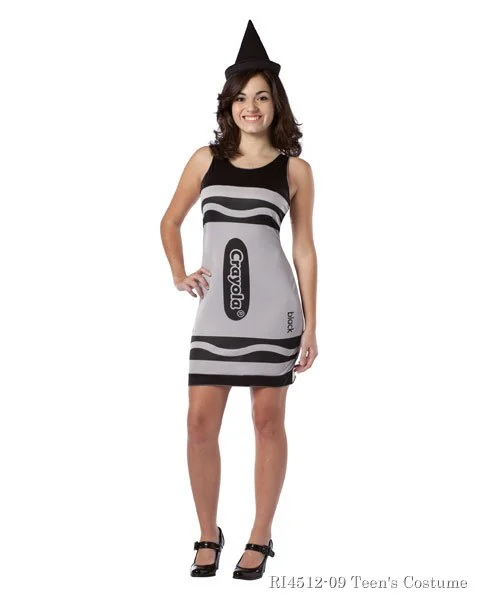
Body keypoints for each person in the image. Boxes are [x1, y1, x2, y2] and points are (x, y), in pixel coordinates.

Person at [160, 20, 318, 580]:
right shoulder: (205, 159)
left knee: (267, 423)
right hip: (215, 318)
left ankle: (260, 535)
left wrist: (311, 325)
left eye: (262, 97)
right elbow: (170, 220)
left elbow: (303, 249)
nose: (251, 107)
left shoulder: (295, 170)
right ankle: (208, 533)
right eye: (241, 98)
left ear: (276, 104)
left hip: (275, 316)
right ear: (228, 105)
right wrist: (179, 273)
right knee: (198, 424)